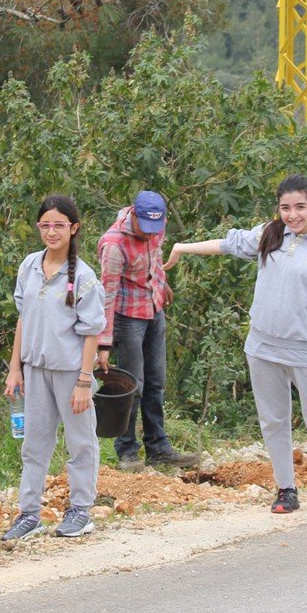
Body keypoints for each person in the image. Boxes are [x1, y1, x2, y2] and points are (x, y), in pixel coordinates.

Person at [166, 175, 307, 519]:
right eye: (285, 207)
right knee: (273, 421)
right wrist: (182, 247)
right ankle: (286, 489)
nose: (292, 215)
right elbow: (227, 244)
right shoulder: (270, 234)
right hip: (263, 346)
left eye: (300, 207)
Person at [2, 196, 108, 541]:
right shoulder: (29, 266)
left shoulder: (85, 278)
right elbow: (23, 318)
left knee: (80, 442)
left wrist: (84, 382)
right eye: (45, 225)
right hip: (35, 369)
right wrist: (15, 368)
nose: (51, 232)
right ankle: (29, 513)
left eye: (59, 225)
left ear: (73, 228)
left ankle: (81, 510)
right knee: (34, 444)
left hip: (71, 372)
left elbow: (92, 332)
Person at [96, 191, 196, 471]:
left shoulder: (156, 228)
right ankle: (127, 450)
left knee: (156, 381)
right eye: (146, 227)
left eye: (156, 227)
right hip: (127, 318)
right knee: (133, 385)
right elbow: (107, 294)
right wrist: (104, 343)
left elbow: (154, 260)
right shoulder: (114, 244)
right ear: (134, 215)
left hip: (154, 309)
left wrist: (162, 285)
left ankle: (158, 447)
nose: (151, 233)